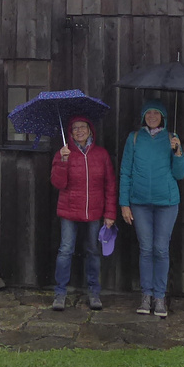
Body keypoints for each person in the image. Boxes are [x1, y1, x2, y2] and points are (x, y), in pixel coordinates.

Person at [119, 99, 184, 317]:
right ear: (143, 116)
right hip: (139, 203)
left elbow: (180, 174)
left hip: (166, 203)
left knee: (160, 249)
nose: (152, 116)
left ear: (163, 116)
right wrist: (124, 204)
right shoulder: (134, 138)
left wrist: (177, 153)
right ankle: (146, 296)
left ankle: (160, 297)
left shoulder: (171, 138)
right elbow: (125, 171)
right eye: (149, 113)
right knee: (146, 249)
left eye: (156, 113)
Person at [49, 115, 117, 311]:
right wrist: (62, 161)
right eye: (75, 128)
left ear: (90, 130)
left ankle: (94, 292)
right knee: (65, 251)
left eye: (83, 127)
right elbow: (58, 183)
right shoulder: (64, 153)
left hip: (95, 212)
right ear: (70, 133)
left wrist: (110, 213)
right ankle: (60, 293)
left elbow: (110, 185)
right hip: (69, 211)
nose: (79, 131)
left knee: (93, 252)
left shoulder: (101, 154)